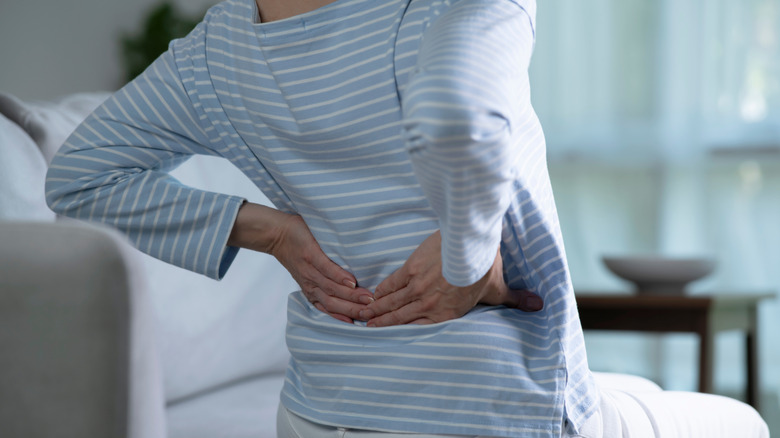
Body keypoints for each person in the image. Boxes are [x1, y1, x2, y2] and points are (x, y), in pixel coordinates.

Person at [46, 0, 601, 436]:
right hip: (479, 404)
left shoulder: (211, 57)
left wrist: (272, 232)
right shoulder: (445, 8)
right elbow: (453, 119)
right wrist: (468, 261)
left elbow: (76, 176)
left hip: (314, 409)